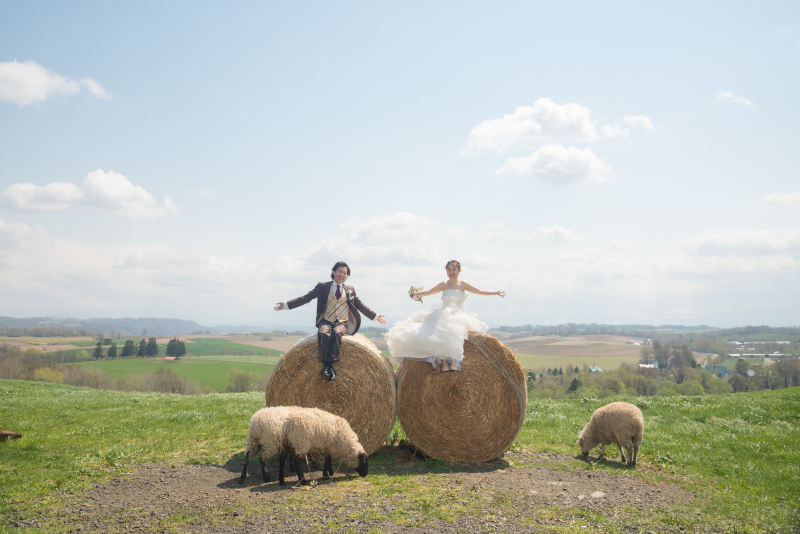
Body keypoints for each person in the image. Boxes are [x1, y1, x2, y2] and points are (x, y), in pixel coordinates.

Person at [386, 260, 505, 372]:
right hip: (444, 312)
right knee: (439, 333)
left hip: (458, 313)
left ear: (459, 271)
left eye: (454, 269)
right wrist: (416, 294)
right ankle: (443, 361)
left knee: (455, 330)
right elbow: (429, 292)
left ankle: (454, 360)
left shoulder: (463, 284)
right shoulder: (443, 284)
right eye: (449, 269)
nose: (451, 272)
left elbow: (480, 291)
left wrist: (495, 292)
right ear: (446, 272)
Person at [275, 261, 386, 380]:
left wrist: (375, 316)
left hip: (342, 322)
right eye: (340, 272)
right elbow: (306, 298)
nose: (342, 275)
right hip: (326, 320)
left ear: (346, 276)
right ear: (333, 272)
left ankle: (329, 365)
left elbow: (359, 304)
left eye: (345, 273)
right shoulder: (322, 286)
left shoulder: (350, 289)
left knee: (336, 333)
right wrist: (286, 305)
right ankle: (328, 365)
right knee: (323, 333)